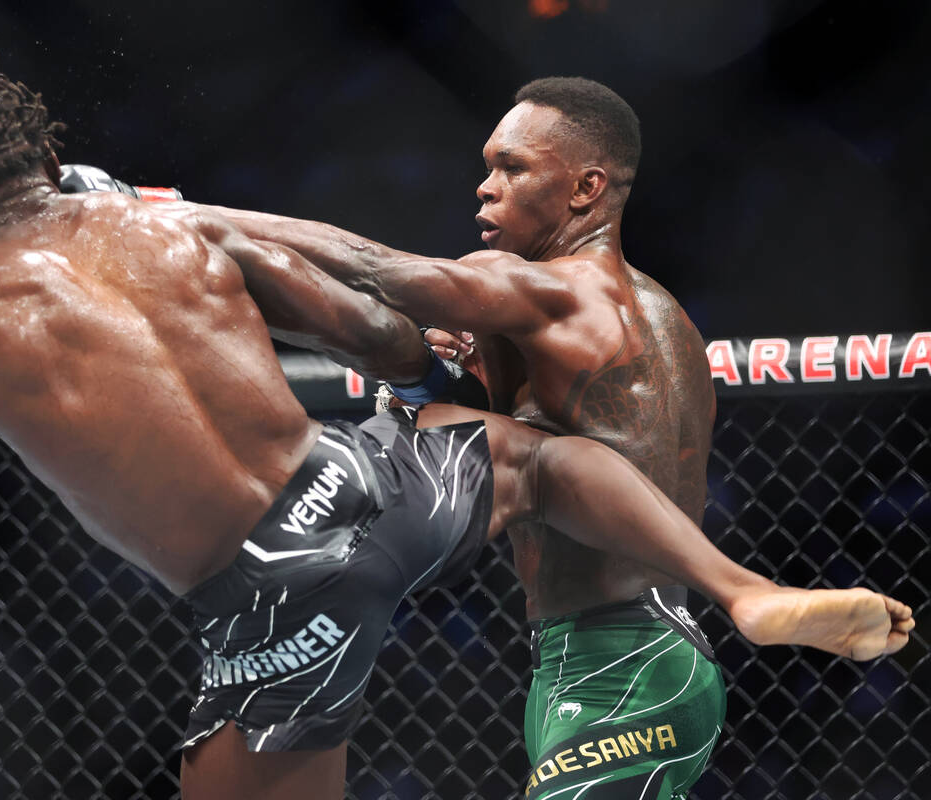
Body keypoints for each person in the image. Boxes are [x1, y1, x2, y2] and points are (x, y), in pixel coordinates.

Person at [198, 77, 916, 797]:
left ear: (585, 189)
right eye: (488, 165)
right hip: (634, 658)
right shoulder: (668, 324)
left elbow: (375, 274)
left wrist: (189, 221)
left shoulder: (554, 289)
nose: (484, 188)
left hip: (620, 665)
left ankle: (752, 594)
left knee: (449, 418)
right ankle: (745, 594)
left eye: (512, 167)